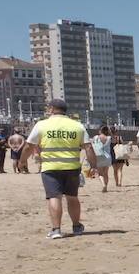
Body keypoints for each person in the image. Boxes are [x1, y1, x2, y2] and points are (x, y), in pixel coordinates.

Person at [22, 98, 98, 239]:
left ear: (51, 109)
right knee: (72, 197)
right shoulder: (77, 125)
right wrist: (94, 166)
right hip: (72, 167)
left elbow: (28, 146)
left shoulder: (42, 125)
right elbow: (88, 147)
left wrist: (22, 161)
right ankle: (76, 227)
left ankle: (56, 230)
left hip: (50, 167)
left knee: (54, 197)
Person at [92, 126, 115, 191]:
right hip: (107, 157)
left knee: (100, 173)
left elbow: (92, 145)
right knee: (106, 173)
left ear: (100, 131)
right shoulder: (109, 138)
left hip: (98, 156)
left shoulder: (96, 137)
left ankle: (103, 185)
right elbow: (114, 141)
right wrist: (110, 133)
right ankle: (106, 187)